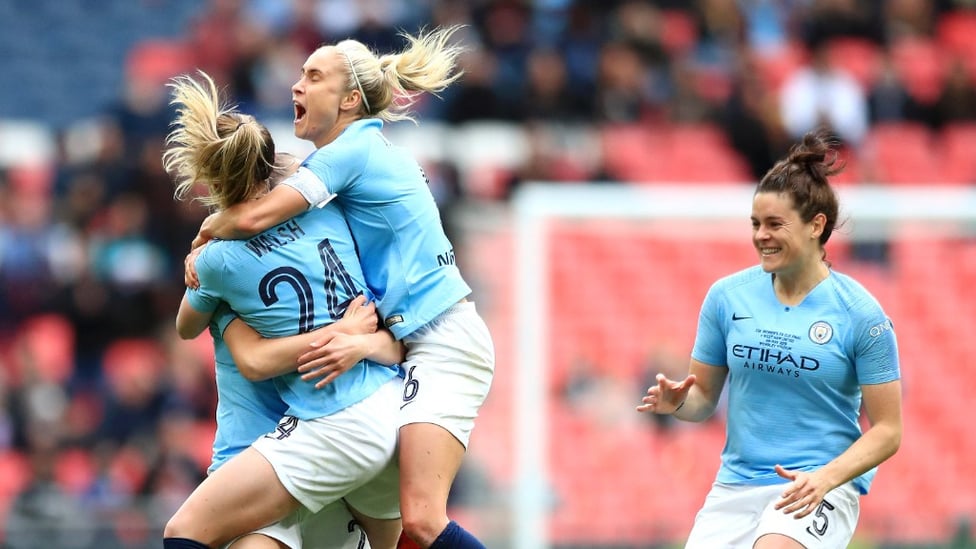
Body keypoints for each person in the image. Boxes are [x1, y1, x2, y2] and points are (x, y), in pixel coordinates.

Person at [188, 25, 496, 549]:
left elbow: (256, 216)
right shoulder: (351, 163)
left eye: (313, 76)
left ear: (351, 99)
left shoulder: (349, 153)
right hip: (406, 348)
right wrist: (363, 341)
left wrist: (206, 234)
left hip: (441, 339)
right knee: (399, 532)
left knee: (422, 521)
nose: (296, 86)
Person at [161, 72, 405, 549]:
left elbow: (190, 329)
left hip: (289, 443)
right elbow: (297, 168)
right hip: (375, 414)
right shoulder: (324, 207)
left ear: (209, 179)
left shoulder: (217, 264)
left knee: (182, 532)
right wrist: (354, 336)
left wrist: (218, 295)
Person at [637, 129, 902, 548]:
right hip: (736, 487)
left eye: (775, 224)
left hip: (817, 487)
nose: (761, 235)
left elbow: (888, 430)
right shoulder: (726, 298)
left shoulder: (861, 315)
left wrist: (826, 478)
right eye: (756, 224)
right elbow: (703, 399)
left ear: (816, 225)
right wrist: (679, 404)